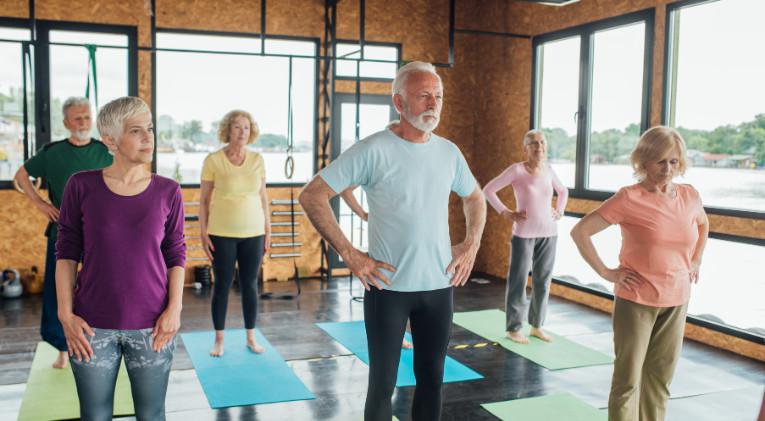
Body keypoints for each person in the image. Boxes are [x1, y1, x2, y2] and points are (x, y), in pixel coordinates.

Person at [300, 61, 486, 421]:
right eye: (423, 96)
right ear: (399, 103)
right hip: (388, 289)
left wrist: (472, 242)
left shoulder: (449, 152)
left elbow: (475, 196)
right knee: (383, 384)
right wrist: (350, 254)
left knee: (432, 380)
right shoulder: (373, 149)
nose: (433, 104)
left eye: (438, 96)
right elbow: (312, 195)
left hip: (438, 286)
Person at [56, 96, 186, 420]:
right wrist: (65, 316)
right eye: (136, 131)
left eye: (150, 129)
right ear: (110, 141)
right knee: (95, 415)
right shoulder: (81, 186)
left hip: (153, 326)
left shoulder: (169, 191)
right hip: (91, 327)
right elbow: (66, 253)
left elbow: (176, 254)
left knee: (151, 414)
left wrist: (175, 309)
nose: (148, 138)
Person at [570, 126, 709, 421]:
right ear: (643, 161)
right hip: (636, 300)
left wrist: (696, 260)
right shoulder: (628, 198)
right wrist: (608, 273)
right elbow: (581, 231)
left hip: (677, 300)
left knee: (659, 382)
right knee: (628, 381)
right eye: (660, 161)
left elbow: (703, 224)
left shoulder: (689, 195)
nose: (667, 168)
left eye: (673, 161)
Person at [13, 97, 112, 369]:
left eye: (87, 117)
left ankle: (100, 342)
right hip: (64, 231)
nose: (83, 123)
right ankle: (63, 349)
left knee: (97, 287)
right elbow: (21, 175)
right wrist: (40, 203)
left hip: (100, 233)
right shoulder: (52, 153)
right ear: (66, 122)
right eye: (78, 118)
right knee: (60, 290)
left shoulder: (105, 150)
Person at [482, 129, 568, 344]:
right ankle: (514, 328)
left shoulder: (549, 170)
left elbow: (563, 191)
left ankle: (537, 325)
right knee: (518, 281)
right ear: (525, 148)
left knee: (542, 281)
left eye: (542, 142)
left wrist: (560, 210)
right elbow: (488, 190)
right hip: (524, 234)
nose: (539, 146)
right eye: (533, 143)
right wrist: (506, 212)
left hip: (549, 233)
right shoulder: (517, 170)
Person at [199, 110, 270, 357]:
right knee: (222, 285)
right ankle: (219, 339)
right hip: (221, 232)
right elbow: (204, 200)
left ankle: (251, 336)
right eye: (237, 127)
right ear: (228, 130)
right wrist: (203, 233)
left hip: (254, 231)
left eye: (247, 128)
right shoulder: (213, 160)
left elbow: (263, 198)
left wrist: (268, 231)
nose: (242, 132)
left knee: (250, 284)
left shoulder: (257, 160)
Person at [340, 185, 413, 350]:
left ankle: (400, 335)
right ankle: (389, 335)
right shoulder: (378, 166)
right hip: (385, 241)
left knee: (407, 288)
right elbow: (345, 190)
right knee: (386, 288)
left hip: (408, 238)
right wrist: (362, 214)